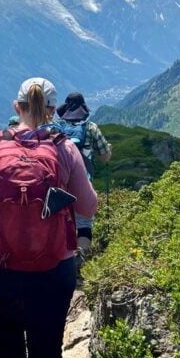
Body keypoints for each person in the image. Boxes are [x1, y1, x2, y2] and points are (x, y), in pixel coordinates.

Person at [0, 77, 98, 358]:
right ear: (53, 110)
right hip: (54, 265)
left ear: (16, 107)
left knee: (7, 331)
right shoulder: (64, 148)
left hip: (2, 263)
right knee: (47, 342)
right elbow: (89, 204)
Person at [55, 92, 111, 257]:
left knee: (59, 221)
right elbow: (105, 157)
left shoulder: (55, 128)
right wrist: (109, 148)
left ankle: (60, 259)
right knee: (84, 223)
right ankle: (79, 259)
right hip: (83, 181)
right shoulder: (91, 128)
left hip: (58, 183)